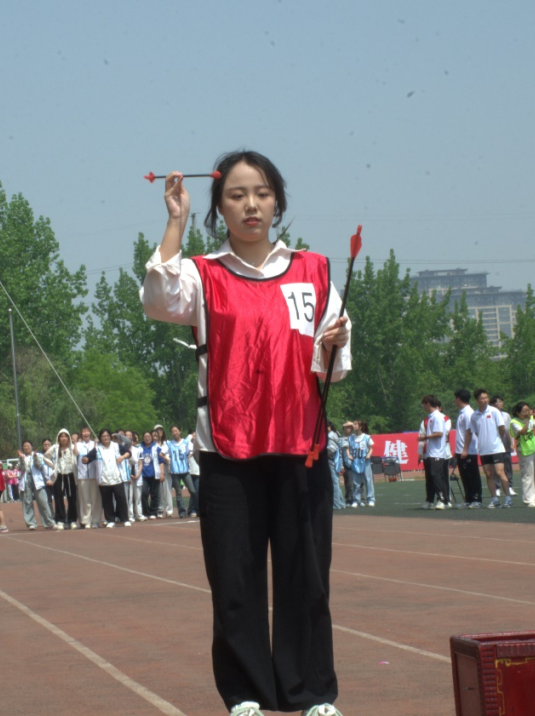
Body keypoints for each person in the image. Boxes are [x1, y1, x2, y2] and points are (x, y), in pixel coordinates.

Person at [140, 151, 350, 716]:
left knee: (307, 576)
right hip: (227, 451)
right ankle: (246, 694)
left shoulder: (313, 270)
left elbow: (334, 369)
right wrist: (176, 222)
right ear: (220, 207)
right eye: (236, 195)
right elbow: (157, 300)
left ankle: (311, 694)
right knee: (235, 580)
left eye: (261, 193)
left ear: (277, 201)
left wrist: (334, 344)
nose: (250, 205)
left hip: (301, 448)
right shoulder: (202, 274)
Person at [466, 389, 512, 508]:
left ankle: (508, 498)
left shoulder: (494, 411)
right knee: (488, 474)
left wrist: (498, 439)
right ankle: (494, 499)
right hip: (483, 450)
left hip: (496, 448)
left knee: (500, 472)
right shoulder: (474, 415)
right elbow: (475, 432)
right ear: (477, 400)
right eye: (482, 398)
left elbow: (502, 428)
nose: (485, 400)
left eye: (486, 397)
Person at [81, 429, 132, 528]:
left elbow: (128, 453)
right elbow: (87, 459)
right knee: (107, 501)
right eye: (103, 436)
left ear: (110, 437)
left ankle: (125, 519)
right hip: (104, 479)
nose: (106, 438)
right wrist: (85, 459)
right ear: (100, 438)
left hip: (117, 478)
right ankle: (110, 520)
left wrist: (122, 457)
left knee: (121, 499)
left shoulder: (116, 446)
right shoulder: (97, 448)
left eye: (107, 436)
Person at [510, 402, 535, 507]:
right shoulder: (514, 422)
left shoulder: (531, 418)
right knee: (527, 476)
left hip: (534, 448)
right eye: (524, 411)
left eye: (528, 410)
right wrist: (528, 419)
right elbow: (523, 432)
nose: (527, 413)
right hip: (524, 451)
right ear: (518, 412)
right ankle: (529, 499)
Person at [453, 390, 483, 508]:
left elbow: (469, 432)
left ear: (458, 399)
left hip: (469, 451)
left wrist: (465, 449)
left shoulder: (468, 413)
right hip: (462, 450)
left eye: (455, 398)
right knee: (465, 476)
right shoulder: (462, 413)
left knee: (472, 475)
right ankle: (468, 499)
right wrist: (458, 450)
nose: (455, 401)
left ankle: (476, 499)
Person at [18, 440, 55, 530]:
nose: (26, 447)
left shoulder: (38, 455)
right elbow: (21, 469)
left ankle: (48, 522)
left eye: (28, 445)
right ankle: (31, 523)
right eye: (24, 446)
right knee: (27, 502)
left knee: (43, 501)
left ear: (32, 447)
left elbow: (40, 466)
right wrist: (22, 460)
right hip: (26, 480)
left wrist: (35, 458)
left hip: (37, 480)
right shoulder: (21, 457)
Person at [421, 396, 449, 509]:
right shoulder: (431, 417)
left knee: (436, 475)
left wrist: (425, 437)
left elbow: (439, 433)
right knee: (431, 476)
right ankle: (431, 500)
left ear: (428, 404)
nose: (423, 407)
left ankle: (442, 500)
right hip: (431, 451)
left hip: (437, 452)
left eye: (423, 404)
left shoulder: (437, 416)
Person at [166, 426, 197, 518]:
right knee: (178, 492)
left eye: (176, 431)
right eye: (172, 431)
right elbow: (162, 453)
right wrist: (168, 459)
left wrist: (188, 456)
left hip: (185, 471)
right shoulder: (169, 444)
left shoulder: (186, 442)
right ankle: (182, 512)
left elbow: (193, 450)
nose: (175, 433)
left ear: (180, 431)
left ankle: (197, 508)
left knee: (192, 490)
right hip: (175, 472)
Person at [50, 429, 78, 529]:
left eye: (65, 436)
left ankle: (72, 520)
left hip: (71, 475)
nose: (64, 438)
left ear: (68, 438)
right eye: (61, 436)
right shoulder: (55, 448)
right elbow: (45, 456)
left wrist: (75, 443)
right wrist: (53, 466)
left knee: (72, 498)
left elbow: (77, 455)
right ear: (58, 438)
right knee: (58, 498)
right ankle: (60, 519)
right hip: (59, 475)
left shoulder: (72, 447)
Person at [490, 395, 517, 498]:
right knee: (496, 467)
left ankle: (509, 486)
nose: (501, 404)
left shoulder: (506, 415)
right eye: (498, 402)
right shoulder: (490, 415)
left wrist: (511, 443)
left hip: (505, 443)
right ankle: (497, 487)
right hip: (495, 444)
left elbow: (509, 430)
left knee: (507, 465)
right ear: (493, 404)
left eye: (502, 401)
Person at [74, 427, 100, 528]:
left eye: (87, 431)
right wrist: (74, 442)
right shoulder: (79, 445)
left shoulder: (95, 443)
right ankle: (86, 520)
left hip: (94, 475)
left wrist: (96, 444)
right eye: (84, 432)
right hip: (82, 476)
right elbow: (75, 453)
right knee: (85, 499)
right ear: (81, 434)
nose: (86, 433)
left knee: (95, 499)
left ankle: (96, 520)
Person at [345, 420, 374, 507]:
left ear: (360, 427)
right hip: (355, 462)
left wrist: (368, 455)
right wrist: (348, 455)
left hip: (365, 461)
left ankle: (371, 499)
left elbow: (371, 448)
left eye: (355, 424)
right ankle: (356, 500)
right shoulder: (351, 438)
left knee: (368, 481)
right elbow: (347, 448)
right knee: (356, 483)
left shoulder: (366, 437)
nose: (353, 425)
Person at [136, 431, 161, 519]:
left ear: (151, 437)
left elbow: (161, 459)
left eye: (149, 436)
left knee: (154, 494)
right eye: (145, 436)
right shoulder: (139, 448)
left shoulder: (156, 447)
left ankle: (153, 512)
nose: (147, 438)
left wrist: (162, 473)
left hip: (154, 473)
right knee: (143, 493)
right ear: (143, 438)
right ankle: (146, 512)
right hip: (143, 474)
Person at [326, 422, 345, 511]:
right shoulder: (337, 433)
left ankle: (337, 504)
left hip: (332, 460)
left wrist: (325, 454)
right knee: (336, 482)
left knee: (334, 483)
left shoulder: (330, 435)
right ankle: (341, 503)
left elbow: (331, 449)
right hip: (337, 460)